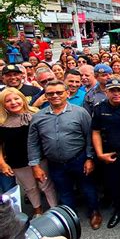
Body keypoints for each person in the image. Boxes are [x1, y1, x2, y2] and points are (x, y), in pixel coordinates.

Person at [28, 80, 102, 230]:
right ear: (46, 96)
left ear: (67, 94)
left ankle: (94, 212)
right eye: (50, 93)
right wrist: (35, 165)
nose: (55, 95)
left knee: (88, 187)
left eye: (59, 92)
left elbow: (89, 136)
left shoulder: (80, 113)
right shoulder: (38, 117)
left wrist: (89, 158)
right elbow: (33, 143)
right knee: (64, 191)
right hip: (55, 162)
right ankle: (70, 218)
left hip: (79, 158)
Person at [0, 88, 57, 214]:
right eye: (8, 101)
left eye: (16, 98)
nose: (13, 102)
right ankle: (38, 210)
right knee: (30, 188)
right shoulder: (2, 122)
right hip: (17, 161)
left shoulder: (36, 114)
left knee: (46, 185)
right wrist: (3, 163)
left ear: (23, 99)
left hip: (40, 157)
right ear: (3, 104)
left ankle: (54, 209)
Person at [92, 78, 120, 229]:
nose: (116, 93)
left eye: (119, 90)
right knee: (114, 183)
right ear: (106, 91)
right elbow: (96, 132)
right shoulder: (99, 108)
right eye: (112, 90)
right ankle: (119, 209)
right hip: (109, 153)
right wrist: (99, 154)